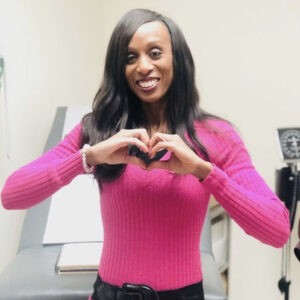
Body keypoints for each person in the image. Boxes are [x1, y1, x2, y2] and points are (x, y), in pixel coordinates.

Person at [1, 8, 290, 300]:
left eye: (154, 53)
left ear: (176, 59)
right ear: (119, 69)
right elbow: (11, 195)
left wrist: (203, 171)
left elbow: (277, 230)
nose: (143, 66)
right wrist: (88, 159)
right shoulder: (97, 129)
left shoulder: (217, 136)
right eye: (130, 57)